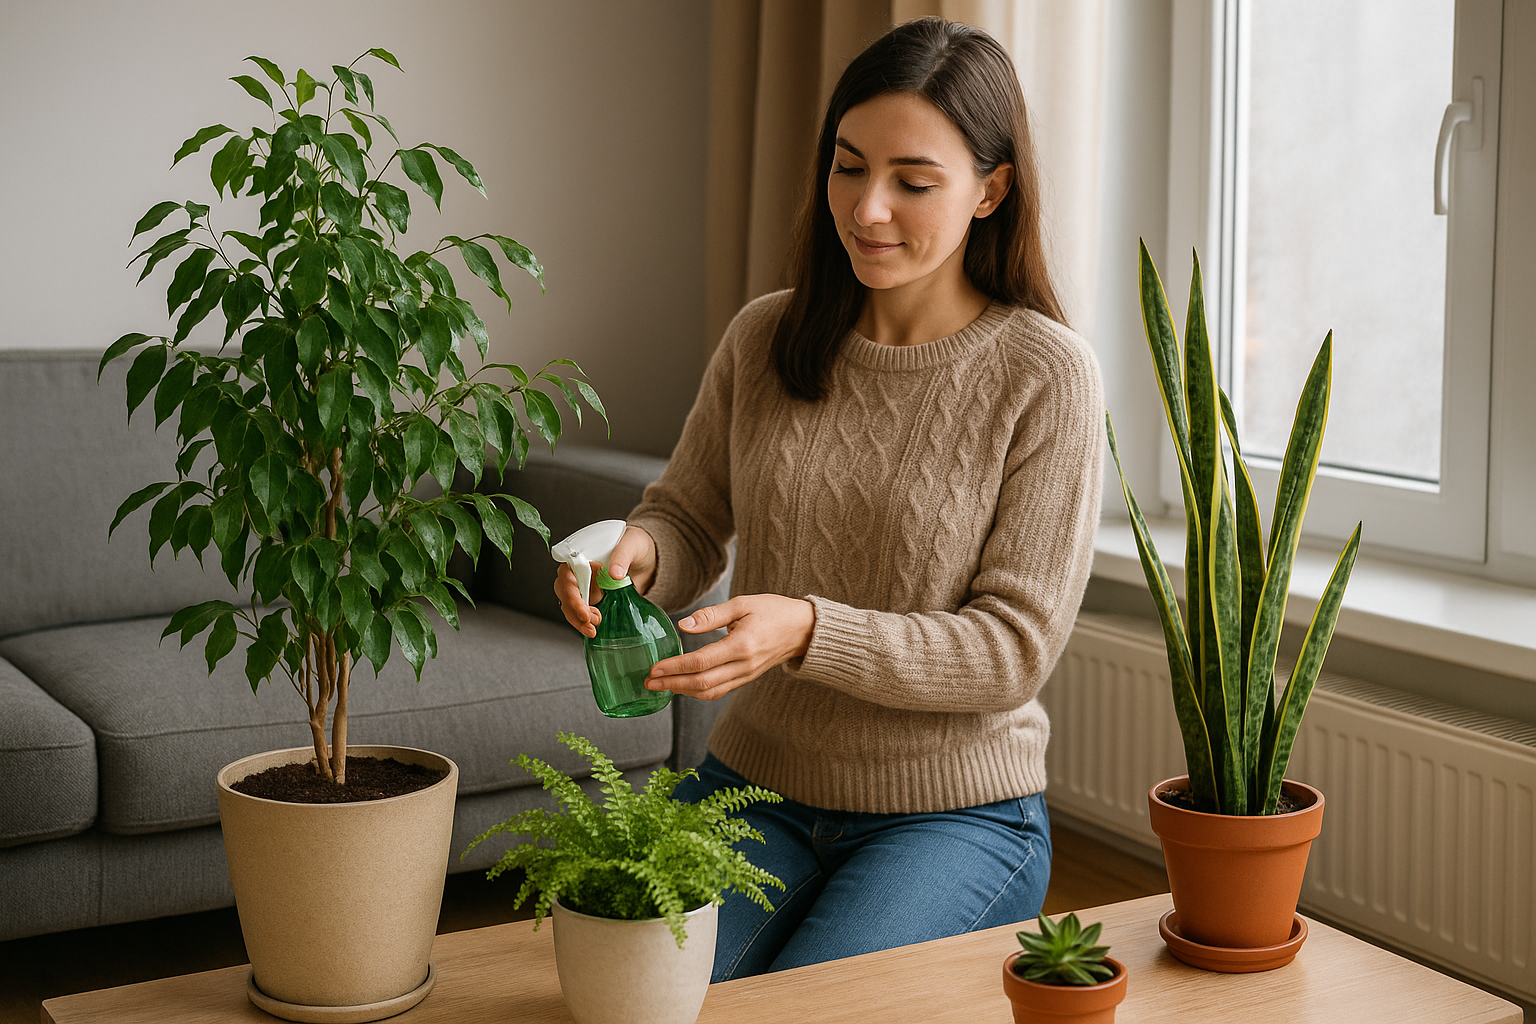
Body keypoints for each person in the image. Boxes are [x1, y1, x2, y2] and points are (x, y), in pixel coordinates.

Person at [554, 17, 1103, 981]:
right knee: (621, 996)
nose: (869, 208)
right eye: (848, 168)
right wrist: (636, 553)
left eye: (913, 182)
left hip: (956, 815)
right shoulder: (769, 334)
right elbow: (686, 515)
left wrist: (809, 628)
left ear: (992, 189)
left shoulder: (1045, 375)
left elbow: (1012, 648)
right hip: (751, 788)